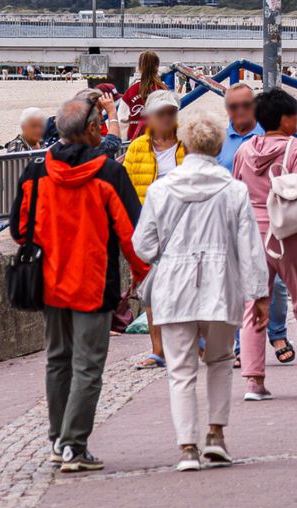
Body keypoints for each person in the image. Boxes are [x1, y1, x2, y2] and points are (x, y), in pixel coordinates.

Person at [9, 95, 148, 472]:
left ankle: (59, 439)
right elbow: (131, 234)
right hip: (93, 281)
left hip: (50, 280)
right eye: (99, 123)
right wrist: (142, 276)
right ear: (90, 129)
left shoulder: (37, 170)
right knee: (88, 366)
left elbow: (20, 230)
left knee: (58, 360)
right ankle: (72, 444)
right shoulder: (108, 173)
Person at [132, 111, 270, 472]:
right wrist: (259, 293)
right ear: (219, 146)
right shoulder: (233, 191)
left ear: (186, 144)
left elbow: (143, 245)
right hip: (221, 283)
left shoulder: (162, 190)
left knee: (180, 369)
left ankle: (187, 447)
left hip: (174, 284)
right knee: (220, 362)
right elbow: (250, 246)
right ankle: (216, 434)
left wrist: (167, 255)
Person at [233, 88, 297, 401]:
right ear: (285, 119)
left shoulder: (245, 150)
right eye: (294, 115)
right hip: (291, 234)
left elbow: (237, 189)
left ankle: (254, 381)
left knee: (254, 304)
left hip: (254, 235)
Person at [216, 83, 294, 367]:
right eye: (233, 106)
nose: (239, 111)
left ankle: (277, 333)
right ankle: (241, 345)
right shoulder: (220, 141)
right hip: (234, 222)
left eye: (245, 105)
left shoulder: (273, 133)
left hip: (272, 221)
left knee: (277, 285)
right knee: (238, 286)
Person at [123, 90, 185, 370]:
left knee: (187, 285)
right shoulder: (137, 148)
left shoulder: (188, 143)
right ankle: (158, 350)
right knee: (150, 289)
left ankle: (191, 341)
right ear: (149, 116)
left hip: (184, 224)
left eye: (171, 112)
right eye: (161, 113)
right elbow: (125, 186)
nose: (167, 118)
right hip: (149, 224)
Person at [118, 51, 169, 140]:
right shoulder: (164, 90)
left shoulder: (131, 91)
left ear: (140, 67)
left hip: (135, 142)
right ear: (157, 67)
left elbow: (122, 120)